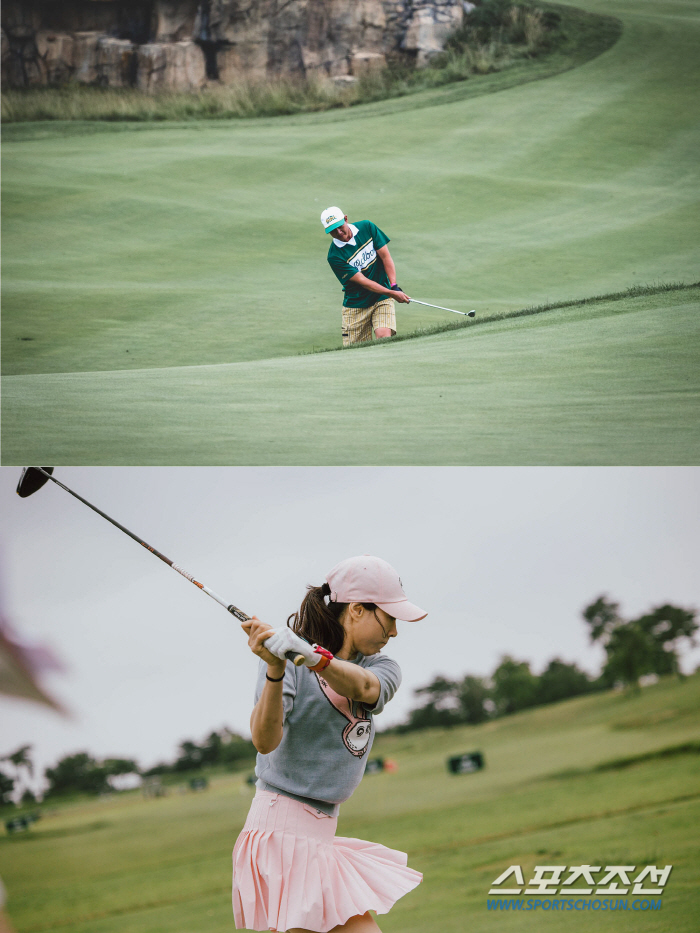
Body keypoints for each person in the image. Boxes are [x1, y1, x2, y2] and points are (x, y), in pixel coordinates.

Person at [233, 555, 427, 933]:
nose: (395, 632)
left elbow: (364, 688)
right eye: (389, 620)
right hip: (280, 833)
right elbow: (264, 741)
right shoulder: (285, 661)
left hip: (318, 834)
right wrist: (275, 668)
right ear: (357, 609)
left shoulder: (380, 668)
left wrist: (315, 659)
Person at [321, 208, 411, 347]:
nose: (338, 233)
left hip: (382, 297)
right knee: (355, 354)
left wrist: (393, 286)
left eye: (340, 227)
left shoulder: (367, 227)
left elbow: (386, 257)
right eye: (333, 231)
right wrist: (392, 293)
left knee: (383, 338)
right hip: (356, 306)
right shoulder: (334, 256)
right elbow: (364, 282)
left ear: (346, 219)